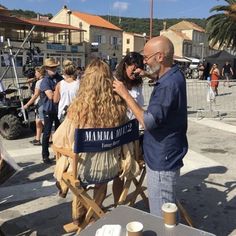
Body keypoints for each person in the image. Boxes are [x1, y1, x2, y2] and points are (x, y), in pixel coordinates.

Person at [53, 58, 139, 224]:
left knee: (73, 169)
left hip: (85, 171)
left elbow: (58, 139)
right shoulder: (118, 106)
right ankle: (94, 211)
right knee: (101, 178)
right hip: (111, 168)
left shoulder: (77, 109)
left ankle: (80, 217)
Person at [113, 36, 188, 217]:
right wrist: (148, 75)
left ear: (160, 56)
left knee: (162, 215)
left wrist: (125, 94)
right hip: (168, 151)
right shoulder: (174, 74)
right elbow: (160, 76)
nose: (144, 62)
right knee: (167, 207)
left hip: (162, 157)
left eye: (146, 58)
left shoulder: (167, 86)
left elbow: (148, 122)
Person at [113, 51, 144, 204]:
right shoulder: (116, 83)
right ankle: (118, 205)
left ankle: (122, 202)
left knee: (129, 170)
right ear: (125, 65)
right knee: (119, 173)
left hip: (136, 131)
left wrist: (146, 75)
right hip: (121, 133)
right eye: (133, 67)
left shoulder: (137, 84)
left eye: (139, 68)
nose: (135, 71)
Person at [40, 58, 63, 164]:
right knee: (47, 133)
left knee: (59, 133)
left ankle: (59, 154)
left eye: (55, 67)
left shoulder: (59, 78)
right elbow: (51, 96)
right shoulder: (45, 81)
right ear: (46, 69)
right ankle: (45, 155)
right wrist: (59, 90)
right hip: (49, 110)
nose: (54, 69)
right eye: (51, 67)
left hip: (59, 110)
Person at [23, 66, 46, 145]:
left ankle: (51, 140)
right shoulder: (44, 80)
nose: (35, 74)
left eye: (36, 72)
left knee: (45, 124)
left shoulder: (39, 82)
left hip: (41, 104)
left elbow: (36, 95)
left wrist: (27, 105)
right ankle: (37, 139)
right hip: (40, 104)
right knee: (38, 122)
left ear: (40, 73)